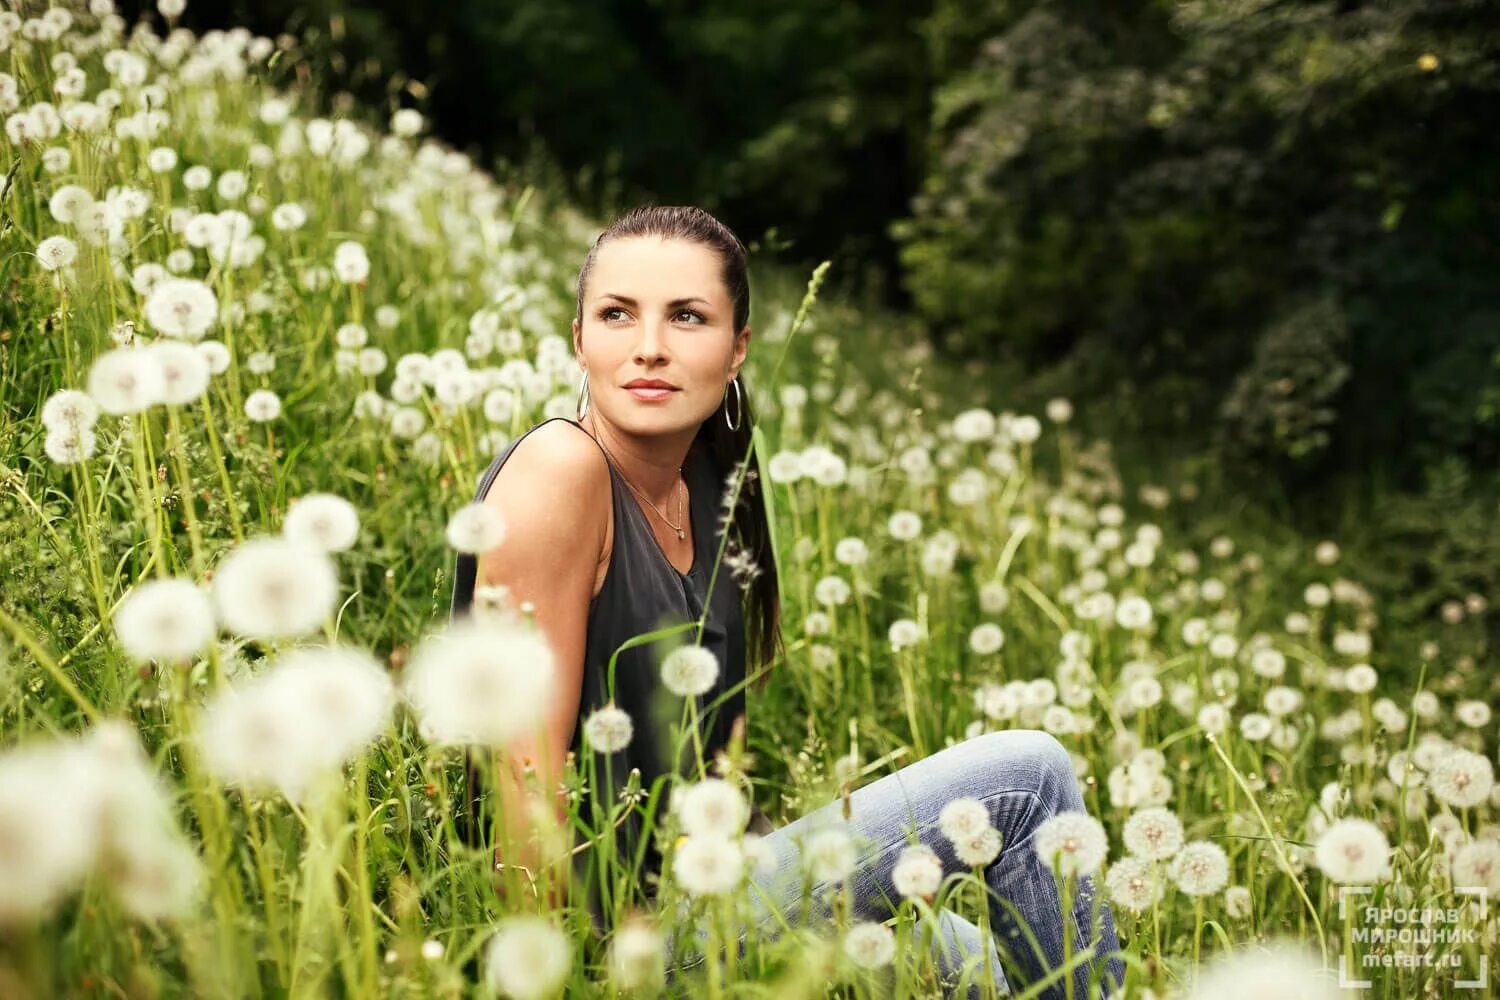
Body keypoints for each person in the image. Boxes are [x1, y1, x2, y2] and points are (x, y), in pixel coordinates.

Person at [448, 204, 1125, 998]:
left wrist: (826, 882)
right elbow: (519, 790)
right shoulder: (561, 471)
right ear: (579, 339)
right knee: (1031, 775)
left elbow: (716, 775)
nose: (650, 347)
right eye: (618, 314)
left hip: (720, 885)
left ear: (736, 351)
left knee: (985, 969)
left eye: (688, 317)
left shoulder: (714, 487)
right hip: (624, 946)